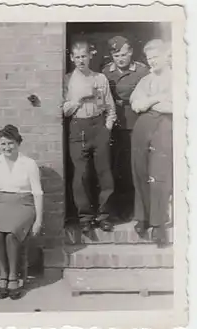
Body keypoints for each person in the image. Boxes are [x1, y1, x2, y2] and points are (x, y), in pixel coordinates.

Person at [0, 125, 43, 300]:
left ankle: (14, 276)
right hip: (1, 204)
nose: (7, 147)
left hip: (24, 205)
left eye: (10, 143)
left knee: (11, 234)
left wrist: (38, 221)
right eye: (3, 144)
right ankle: (3, 275)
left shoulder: (29, 164)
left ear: (18, 143)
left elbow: (37, 193)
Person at [62, 40, 117, 233]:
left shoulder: (100, 78)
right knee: (82, 174)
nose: (80, 60)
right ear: (71, 58)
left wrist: (107, 128)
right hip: (79, 127)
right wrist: (78, 100)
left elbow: (110, 107)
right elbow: (65, 110)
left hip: (98, 125)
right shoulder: (68, 79)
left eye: (83, 56)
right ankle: (85, 217)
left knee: (104, 173)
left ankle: (104, 216)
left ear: (90, 56)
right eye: (76, 57)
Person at [129, 39, 173, 247]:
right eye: (149, 58)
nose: (153, 61)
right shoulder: (145, 80)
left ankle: (158, 224)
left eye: (156, 57)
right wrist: (157, 99)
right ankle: (143, 217)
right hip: (143, 126)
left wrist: (150, 101)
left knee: (159, 174)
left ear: (166, 55)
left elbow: (175, 106)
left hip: (165, 126)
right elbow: (136, 104)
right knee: (140, 172)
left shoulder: (177, 77)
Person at [102, 36, 150, 219]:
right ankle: (118, 209)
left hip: (136, 123)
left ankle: (135, 209)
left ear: (130, 52)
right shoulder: (106, 72)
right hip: (115, 124)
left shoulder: (141, 71)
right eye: (116, 55)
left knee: (135, 167)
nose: (120, 58)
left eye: (123, 54)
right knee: (116, 167)